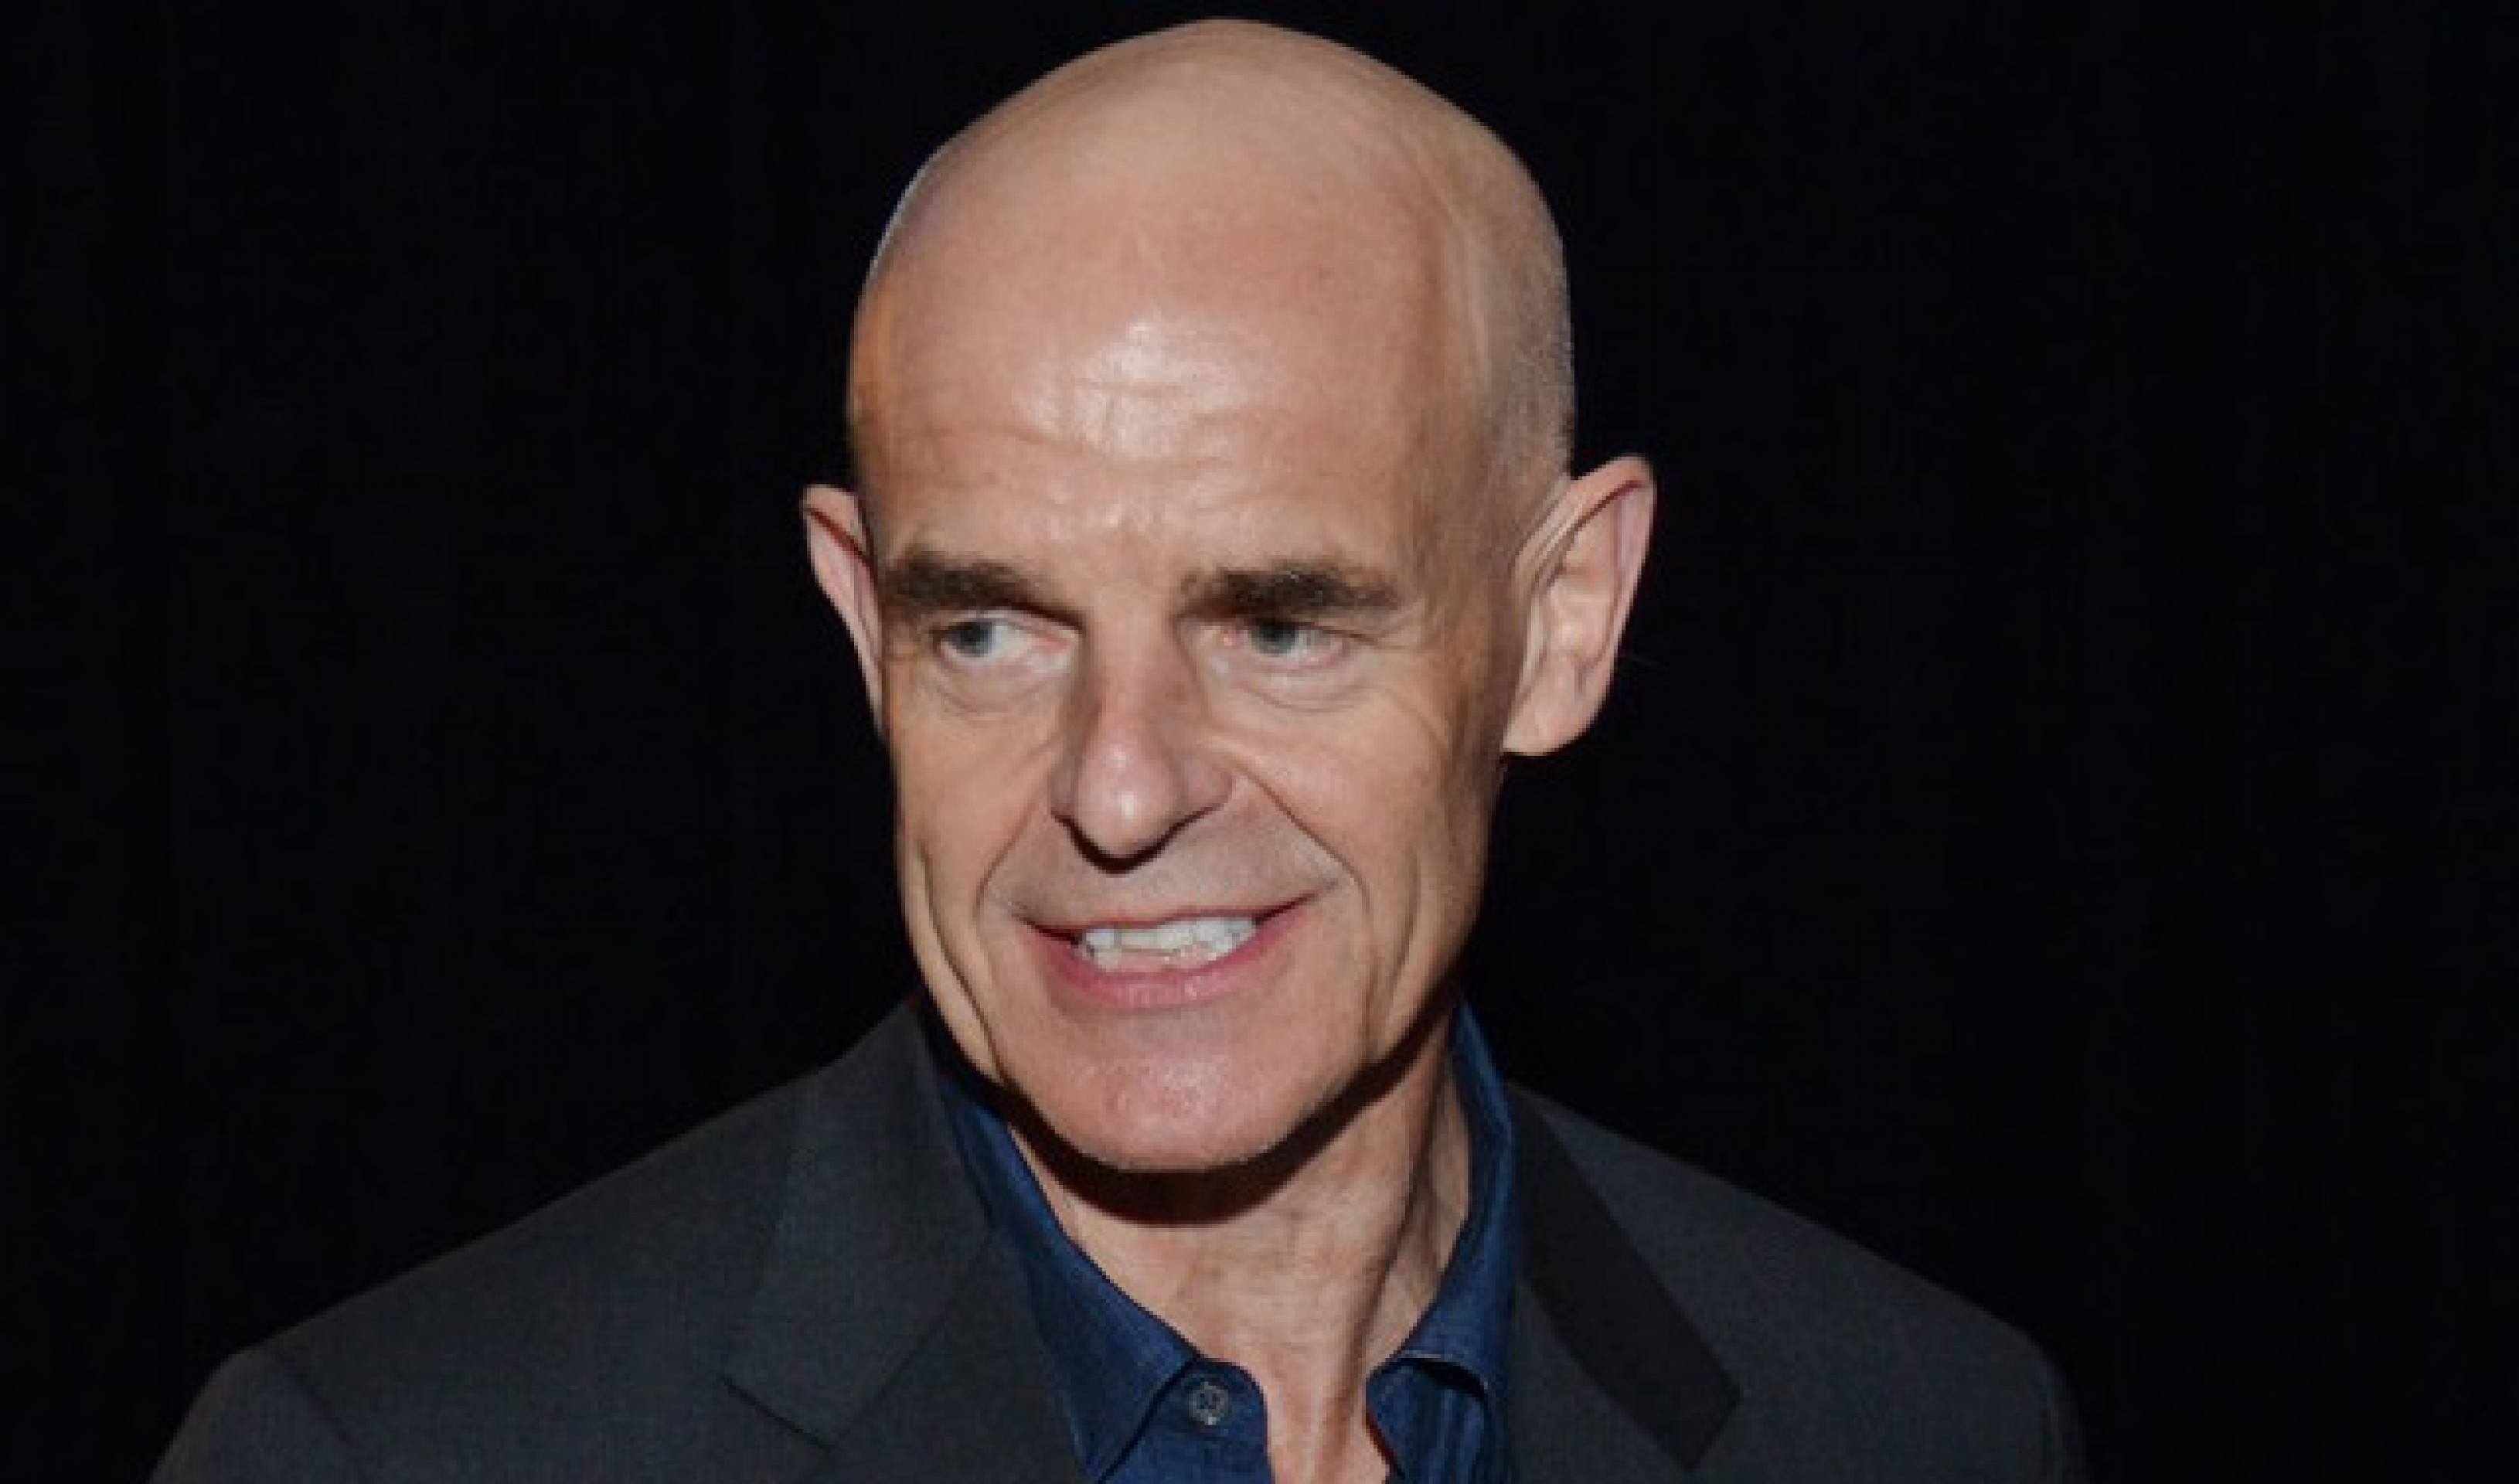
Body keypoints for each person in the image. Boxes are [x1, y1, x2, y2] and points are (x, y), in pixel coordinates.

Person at [157, 21, 2085, 1482]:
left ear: (1560, 622)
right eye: (989, 629)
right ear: (862, 624)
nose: (1120, 787)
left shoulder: (1914, 1424)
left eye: (1278, 626)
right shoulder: (405, 1451)